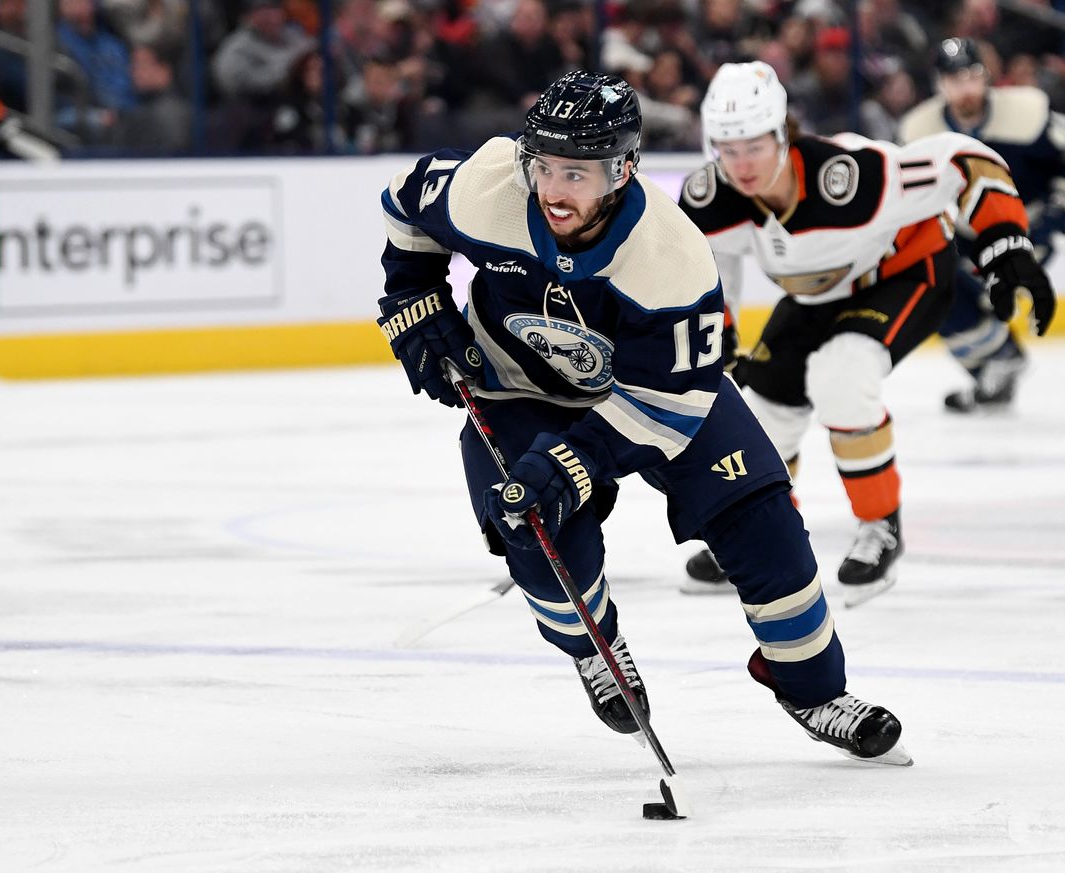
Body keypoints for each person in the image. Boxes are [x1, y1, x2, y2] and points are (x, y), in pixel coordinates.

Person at [376, 70, 911, 765]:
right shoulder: (489, 188)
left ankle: (811, 688)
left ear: (623, 168)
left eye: (576, 172)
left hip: (658, 394)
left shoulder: (673, 255)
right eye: (543, 165)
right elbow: (406, 206)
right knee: (533, 525)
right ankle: (597, 647)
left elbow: (671, 401)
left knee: (761, 516)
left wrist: (576, 461)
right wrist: (414, 299)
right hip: (514, 384)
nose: (552, 189)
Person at [677, 60, 1055, 601]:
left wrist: (1006, 240)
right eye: (727, 149)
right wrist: (720, 333)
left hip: (907, 272)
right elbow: (706, 269)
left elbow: (968, 160)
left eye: (755, 146)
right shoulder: (710, 198)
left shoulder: (854, 178)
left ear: (784, 132)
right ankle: (763, 532)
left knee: (842, 376)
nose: (742, 165)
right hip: (818, 293)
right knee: (758, 407)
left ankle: (881, 526)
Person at [899, 37, 1065, 412]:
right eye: (955, 79)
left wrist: (1062, 203)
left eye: (973, 76)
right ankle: (996, 372)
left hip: (1027, 231)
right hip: (965, 236)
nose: (966, 88)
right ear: (939, 84)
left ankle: (999, 361)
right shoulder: (918, 132)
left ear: (987, 77)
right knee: (931, 294)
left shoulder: (1027, 114)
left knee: (975, 299)